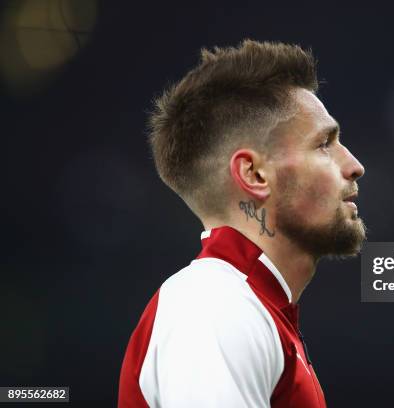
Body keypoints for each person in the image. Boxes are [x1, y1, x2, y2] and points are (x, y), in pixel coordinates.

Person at [118, 39, 366, 408]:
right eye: (324, 144)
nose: (354, 165)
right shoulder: (212, 306)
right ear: (253, 174)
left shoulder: (252, 307)